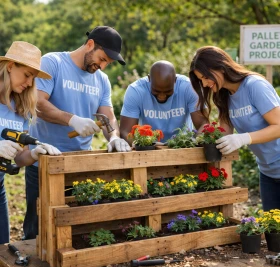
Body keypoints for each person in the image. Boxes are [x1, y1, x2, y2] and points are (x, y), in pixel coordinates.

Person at [24, 26, 131, 240]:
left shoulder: (101, 80)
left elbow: (108, 116)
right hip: (43, 160)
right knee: (37, 228)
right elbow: (37, 104)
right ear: (90, 45)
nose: (101, 66)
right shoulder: (53, 63)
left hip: (80, 164)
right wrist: (72, 119)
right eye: (102, 59)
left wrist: (115, 137)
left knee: (74, 228)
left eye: (106, 64)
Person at [189, 45, 280, 211]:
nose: (204, 83)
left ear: (220, 67)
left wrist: (244, 138)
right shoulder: (224, 96)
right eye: (200, 80)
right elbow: (224, 134)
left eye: (205, 77)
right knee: (273, 230)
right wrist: (200, 139)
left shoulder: (254, 86)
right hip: (268, 171)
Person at [0, 41, 61, 244]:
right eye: (27, 74)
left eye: (33, 78)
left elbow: (19, 157)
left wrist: (35, 153)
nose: (29, 83)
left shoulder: (20, 107)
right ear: (10, 66)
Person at [120, 60, 208, 144]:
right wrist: (144, 145)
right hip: (149, 149)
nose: (162, 97)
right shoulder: (136, 91)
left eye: (168, 92)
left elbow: (203, 124)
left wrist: (194, 141)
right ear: (149, 79)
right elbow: (125, 132)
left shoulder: (189, 88)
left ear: (175, 80)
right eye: (156, 91)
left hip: (183, 146)